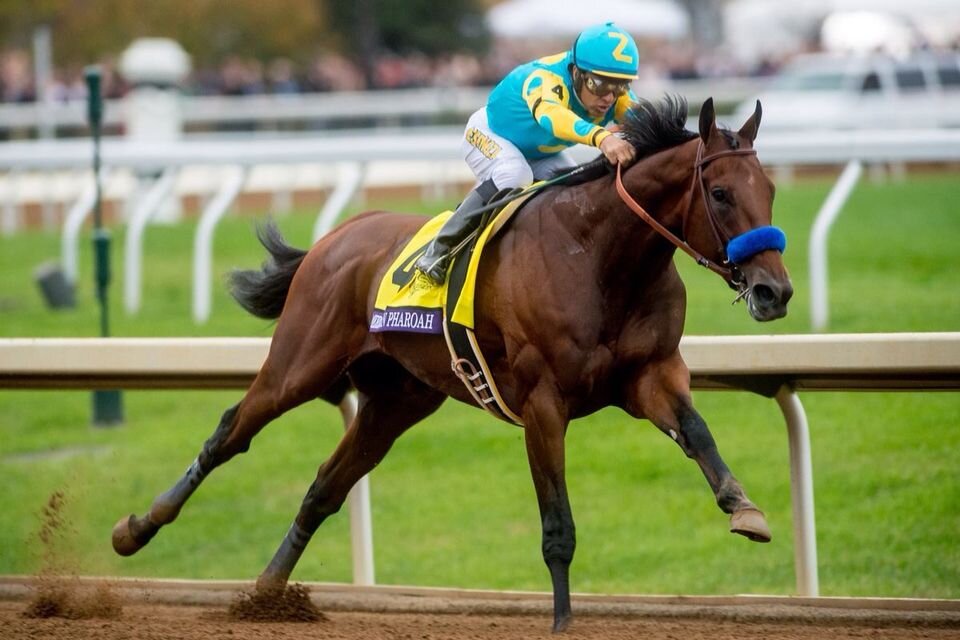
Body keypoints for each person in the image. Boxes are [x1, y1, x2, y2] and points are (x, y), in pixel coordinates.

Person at [415, 22, 640, 284]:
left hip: (539, 152)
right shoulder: (545, 79)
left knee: (576, 189)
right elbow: (552, 117)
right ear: (577, 73)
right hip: (489, 133)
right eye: (599, 85)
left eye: (620, 86)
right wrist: (601, 137)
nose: (609, 98)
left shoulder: (611, 94)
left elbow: (645, 119)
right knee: (515, 175)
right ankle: (439, 250)